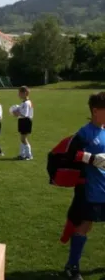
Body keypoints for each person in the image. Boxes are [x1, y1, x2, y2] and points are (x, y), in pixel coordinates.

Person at [59, 92, 105, 279]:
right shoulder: (84, 133)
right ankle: (72, 266)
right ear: (95, 111)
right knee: (84, 225)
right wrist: (91, 158)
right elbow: (69, 154)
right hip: (90, 189)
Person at [13, 86, 34, 160]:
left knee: (23, 139)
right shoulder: (24, 103)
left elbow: (24, 114)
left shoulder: (26, 103)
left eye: (19, 93)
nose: (18, 94)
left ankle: (29, 155)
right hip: (22, 121)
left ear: (25, 93)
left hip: (25, 121)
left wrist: (16, 112)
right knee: (22, 139)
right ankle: (22, 154)